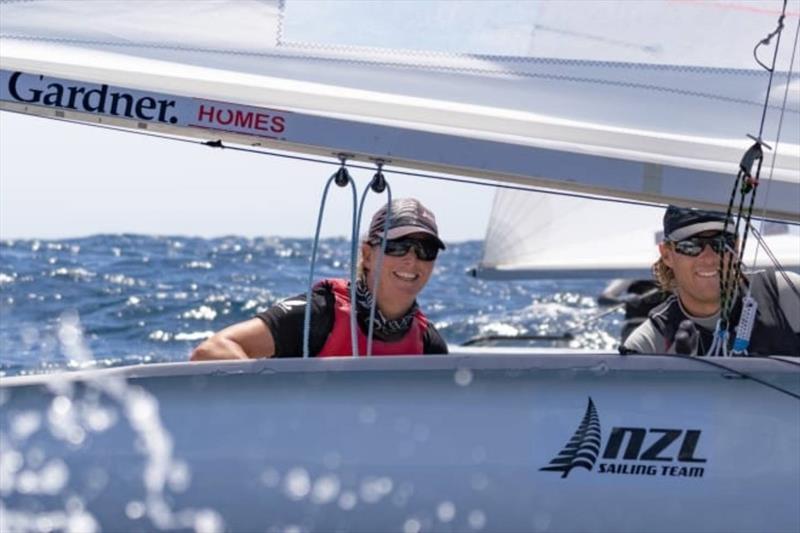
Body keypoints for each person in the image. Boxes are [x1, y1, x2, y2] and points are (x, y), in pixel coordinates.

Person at [191, 198, 448, 360]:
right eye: (398, 246)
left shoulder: (429, 345)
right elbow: (212, 351)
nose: (411, 260)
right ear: (368, 255)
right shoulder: (319, 314)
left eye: (426, 250)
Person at [621, 204, 800, 356]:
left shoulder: (786, 295)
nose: (709, 258)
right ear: (667, 255)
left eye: (722, 243)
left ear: (736, 247)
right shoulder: (649, 345)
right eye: (691, 246)